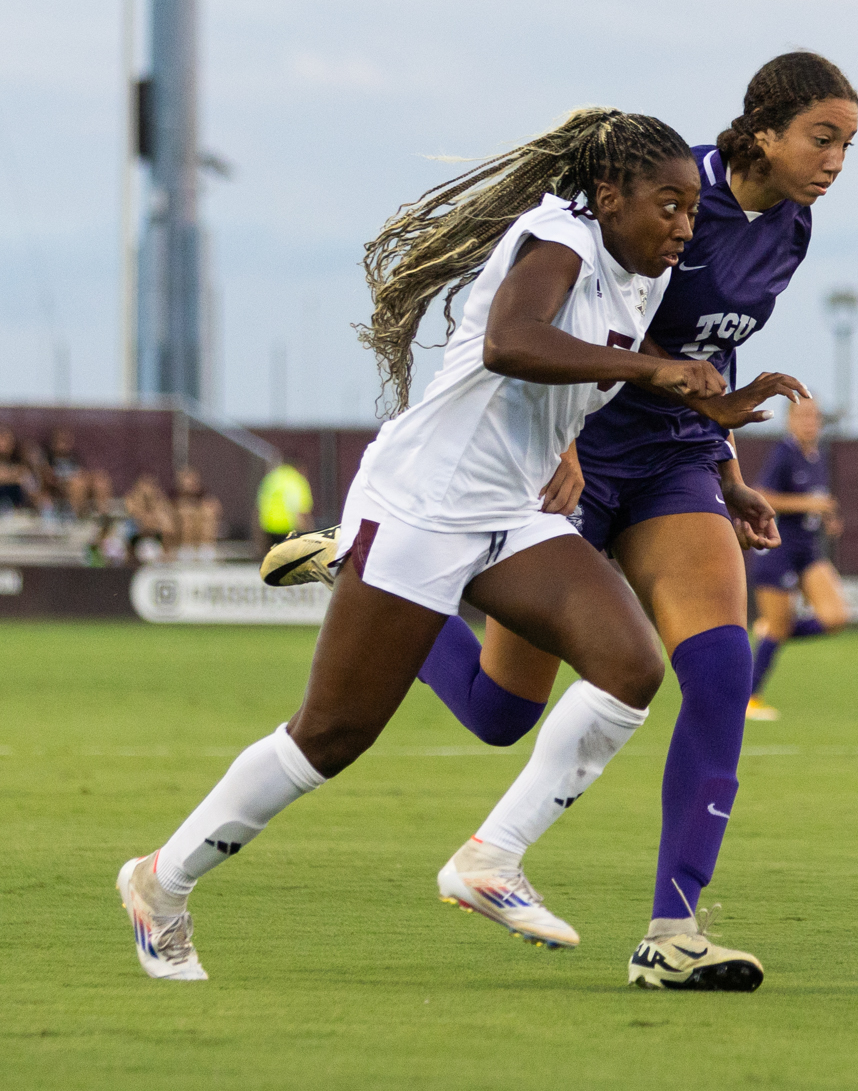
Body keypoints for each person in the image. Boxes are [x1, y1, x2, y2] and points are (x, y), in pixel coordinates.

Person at [273, 54, 858, 989]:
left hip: (670, 461)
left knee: (718, 667)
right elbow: (558, 320)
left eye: (847, 145)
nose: (834, 160)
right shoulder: (672, 191)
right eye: (821, 138)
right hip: (567, 456)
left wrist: (730, 471)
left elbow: (700, 357)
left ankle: (674, 932)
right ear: (762, 131)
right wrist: (565, 435)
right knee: (503, 714)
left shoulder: (793, 228)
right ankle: (363, 557)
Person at [117, 106, 740, 983]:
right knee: (329, 738)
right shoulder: (557, 235)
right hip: (421, 503)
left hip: (509, 511)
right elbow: (509, 341)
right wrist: (647, 370)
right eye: (668, 206)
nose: (685, 224)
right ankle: (159, 883)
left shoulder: (640, 273)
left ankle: (490, 860)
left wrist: (688, 443)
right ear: (608, 198)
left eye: (690, 208)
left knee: (630, 665)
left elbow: (566, 368)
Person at [746, 395, 850, 720]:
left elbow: (817, 502)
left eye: (815, 416)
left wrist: (827, 516)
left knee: (835, 618)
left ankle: (774, 630)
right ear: (790, 420)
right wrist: (809, 504)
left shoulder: (817, 456)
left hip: (808, 549)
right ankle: (750, 700)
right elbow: (762, 495)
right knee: (777, 628)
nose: (810, 422)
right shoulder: (784, 453)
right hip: (778, 549)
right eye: (803, 416)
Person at [257, 461, 314, 551]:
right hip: (289, 528)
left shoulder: (271, 478)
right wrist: (309, 532)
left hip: (269, 527)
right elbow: (301, 510)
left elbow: (261, 505)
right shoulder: (296, 480)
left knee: (274, 559)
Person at [170, 468, 223, 561]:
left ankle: (205, 549)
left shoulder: (207, 500)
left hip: (204, 545)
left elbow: (218, 511)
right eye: (187, 481)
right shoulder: (173, 502)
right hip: (182, 545)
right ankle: (187, 549)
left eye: (193, 481)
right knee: (186, 516)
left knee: (208, 513)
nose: (190, 485)